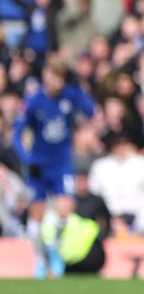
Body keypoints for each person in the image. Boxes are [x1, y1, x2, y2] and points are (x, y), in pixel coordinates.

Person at [12, 54, 96, 278]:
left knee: (64, 212)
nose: (57, 82)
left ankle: (54, 250)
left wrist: (79, 88)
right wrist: (27, 159)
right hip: (38, 167)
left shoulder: (70, 95)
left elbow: (91, 111)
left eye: (61, 78)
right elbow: (16, 135)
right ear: (45, 75)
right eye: (53, 76)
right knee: (36, 219)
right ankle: (40, 260)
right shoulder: (33, 101)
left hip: (62, 165)